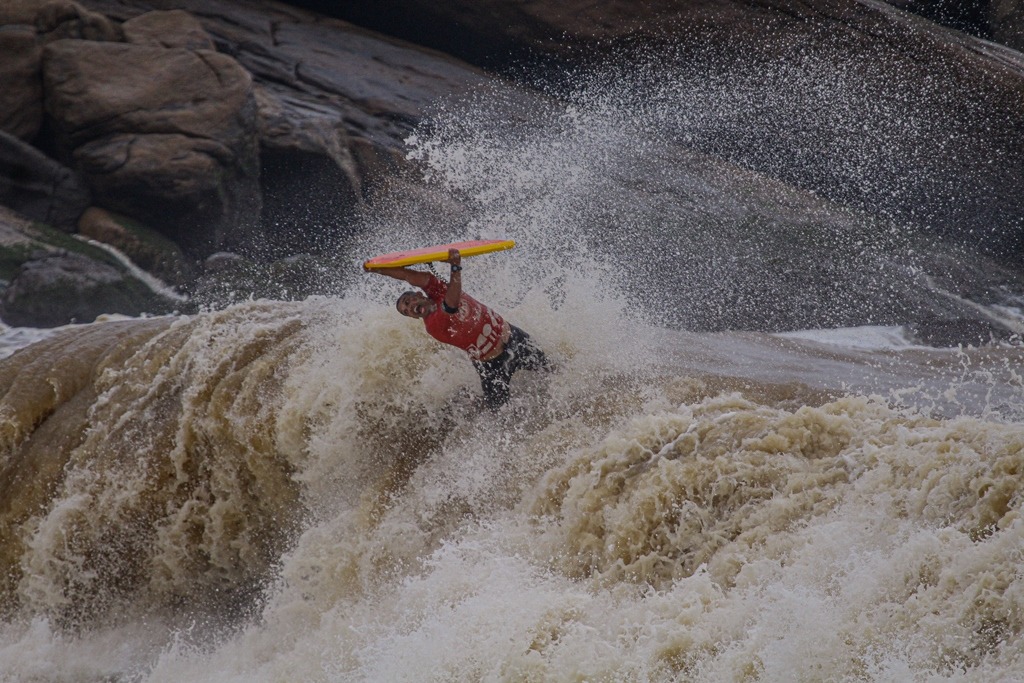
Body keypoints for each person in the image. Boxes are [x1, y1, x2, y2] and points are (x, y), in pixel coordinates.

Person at [366, 248, 550, 410]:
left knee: (553, 372)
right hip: (493, 367)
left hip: (515, 338)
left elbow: (408, 276)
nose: (411, 309)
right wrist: (455, 267)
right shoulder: (434, 325)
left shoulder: (435, 289)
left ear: (418, 295)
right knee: (502, 417)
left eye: (408, 302)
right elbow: (452, 303)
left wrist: (378, 269)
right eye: (407, 313)